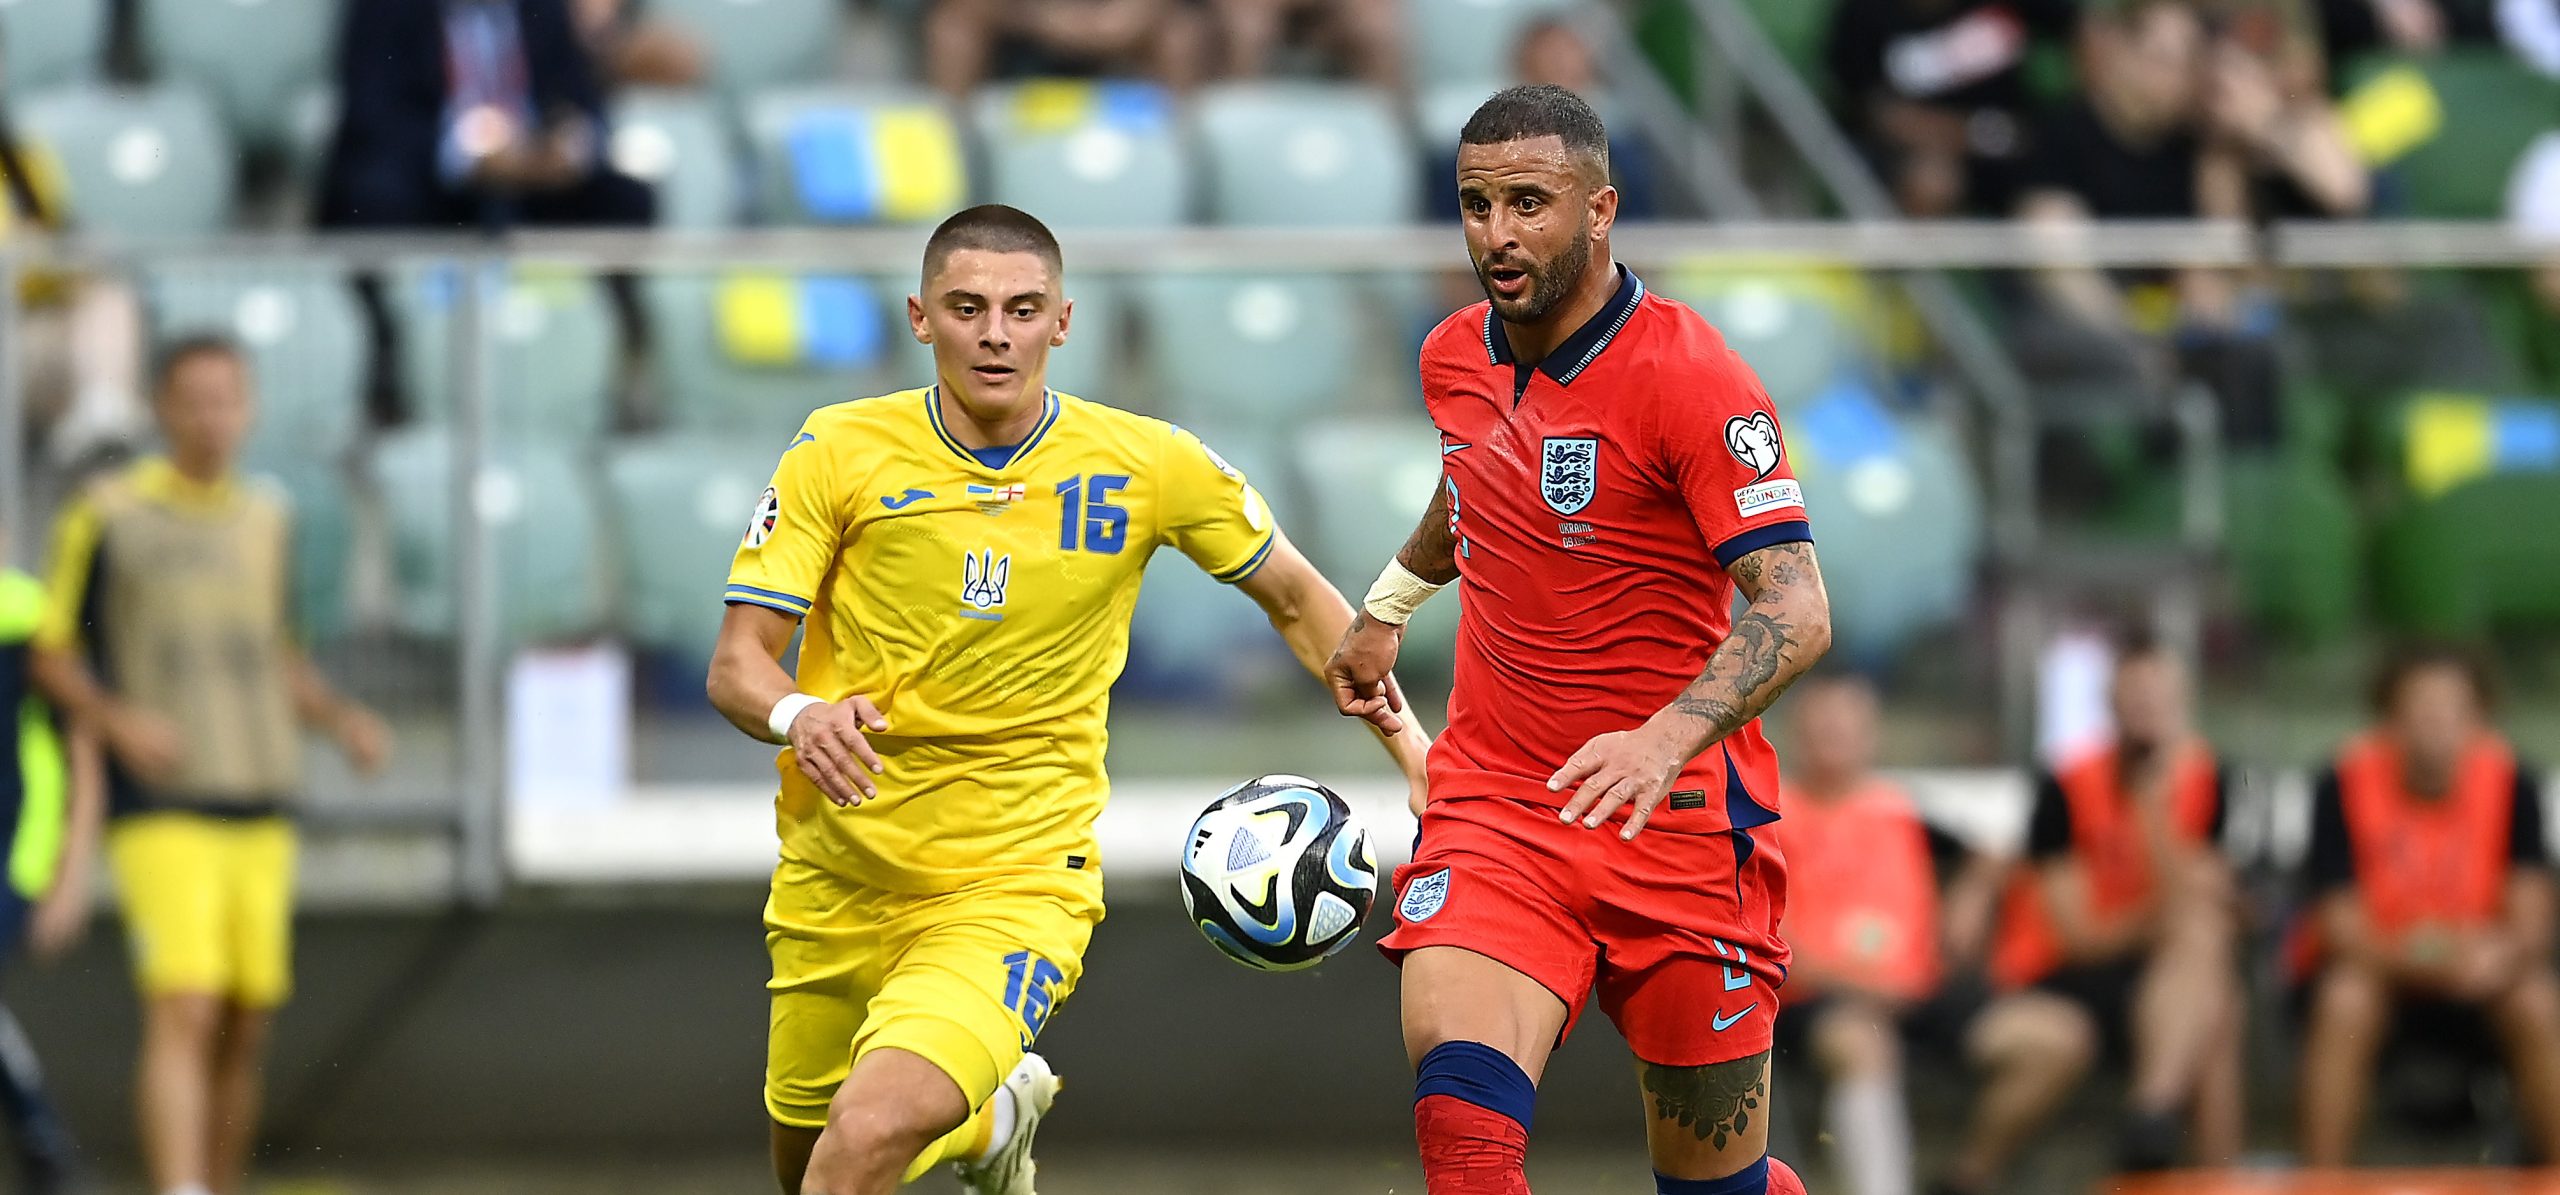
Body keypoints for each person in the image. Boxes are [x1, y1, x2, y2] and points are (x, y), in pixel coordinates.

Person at [704, 203, 1434, 1195]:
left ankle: (979, 1107)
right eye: (967, 308)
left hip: (1012, 885)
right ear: (921, 318)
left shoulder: (1148, 463)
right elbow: (738, 665)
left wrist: (1420, 762)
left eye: (1021, 308)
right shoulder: (837, 451)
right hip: (832, 880)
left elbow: (1304, 604)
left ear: (1063, 321)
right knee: (817, 1170)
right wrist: (803, 714)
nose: (995, 332)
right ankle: (992, 1120)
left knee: (862, 1140)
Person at [1325, 85, 1835, 1195]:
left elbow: (1796, 610)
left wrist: (1660, 740)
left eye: (1527, 203)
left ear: (1598, 210)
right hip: (1498, 806)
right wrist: (1386, 605)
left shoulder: (1692, 380)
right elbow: (1474, 482)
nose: (1496, 236)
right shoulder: (1451, 355)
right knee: (1463, 1146)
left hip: (1678, 824)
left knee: (1714, 1188)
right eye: (1473, 205)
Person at [28, 337, 393, 1195]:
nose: (211, 416)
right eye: (193, 398)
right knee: (184, 1001)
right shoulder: (108, 512)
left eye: (227, 398)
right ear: (161, 406)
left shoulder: (269, 518)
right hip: (164, 800)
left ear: (251, 407)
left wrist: (341, 720)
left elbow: (281, 652)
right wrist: (118, 721)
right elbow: (51, 653)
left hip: (259, 793)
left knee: (245, 1018)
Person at [1946, 635, 2243, 1191]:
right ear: (2110, 704)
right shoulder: (2067, 785)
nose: (2148, 711)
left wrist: (2156, 820)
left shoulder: (2211, 780)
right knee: (2210, 988)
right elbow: (2080, 934)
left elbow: (2214, 900)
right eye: (2135, 698)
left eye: (2160, 697)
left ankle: (2155, 1120)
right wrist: (2169, 905)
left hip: (2160, 980)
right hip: (2066, 974)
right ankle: (2174, 1144)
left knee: (2212, 985)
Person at [2295, 645, 2560, 1166]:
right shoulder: (2344, 782)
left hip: (2481, 978)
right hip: (2382, 971)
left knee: (2536, 999)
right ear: (2389, 718)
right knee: (2345, 999)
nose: (2435, 724)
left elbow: (2532, 913)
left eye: (2452, 709)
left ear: (2478, 717)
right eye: (2419, 708)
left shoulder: (2511, 781)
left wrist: (2497, 958)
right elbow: (2339, 923)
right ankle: (2323, 1177)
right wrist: (2426, 961)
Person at [1772, 674, 2002, 1195]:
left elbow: (1989, 855)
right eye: (1822, 726)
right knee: (1863, 1045)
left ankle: (1966, 1177)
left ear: (1870, 734)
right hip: (1818, 1005)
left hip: (1917, 998)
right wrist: (1868, 988)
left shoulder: (1898, 809)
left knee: (2047, 1039)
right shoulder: (1772, 817)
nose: (1834, 736)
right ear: (1799, 734)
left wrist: (1970, 898)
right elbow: (1771, 944)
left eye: (1846, 726)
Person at [0, 547, 106, 1195]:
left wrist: (73, 871)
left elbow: (82, 735)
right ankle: (43, 1138)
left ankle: (44, 1136)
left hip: (16, 845)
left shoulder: (26, 611)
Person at [1822, 0, 2078, 216]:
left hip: (2012, 153)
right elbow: (1881, 114)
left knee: (2056, 192)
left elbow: (2088, 33)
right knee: (1933, 181)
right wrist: (1974, 134)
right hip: (1909, 153)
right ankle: (1896, 271)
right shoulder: (1865, 13)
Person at [925, 0, 1213, 98]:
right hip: (1021, 29)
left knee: (1181, 33)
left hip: (1124, 29)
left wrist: (1125, 19)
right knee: (953, 27)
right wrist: (1045, 20)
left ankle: (1179, 168)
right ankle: (956, 155)